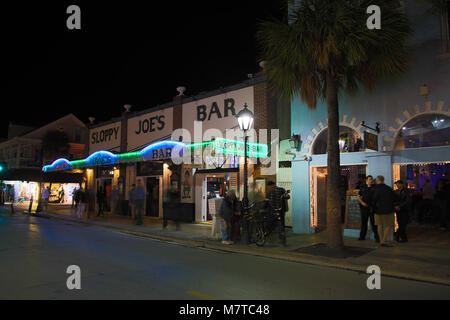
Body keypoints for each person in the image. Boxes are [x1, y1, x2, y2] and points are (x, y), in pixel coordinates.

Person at [371, 175, 396, 247]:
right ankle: (383, 240)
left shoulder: (375, 189)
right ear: (383, 180)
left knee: (379, 225)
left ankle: (381, 240)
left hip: (377, 210)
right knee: (388, 225)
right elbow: (394, 198)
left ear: (377, 180)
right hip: (388, 210)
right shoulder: (388, 189)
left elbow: (374, 199)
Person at [357, 175, 379, 242]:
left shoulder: (375, 188)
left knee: (374, 224)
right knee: (364, 223)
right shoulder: (363, 188)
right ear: (366, 180)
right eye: (369, 179)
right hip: (364, 208)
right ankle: (362, 236)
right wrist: (362, 203)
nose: (371, 180)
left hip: (372, 208)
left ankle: (377, 238)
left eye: (372, 179)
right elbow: (358, 196)